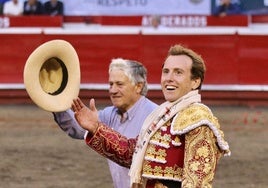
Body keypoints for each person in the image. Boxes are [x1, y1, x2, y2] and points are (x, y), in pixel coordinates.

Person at [72, 44, 231, 188]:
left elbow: (197, 184)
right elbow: (130, 153)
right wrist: (95, 127)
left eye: (178, 72)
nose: (169, 78)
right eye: (166, 71)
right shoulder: (161, 115)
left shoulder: (197, 118)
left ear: (195, 81)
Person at [53, 58, 158, 188]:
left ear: (138, 86)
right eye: (111, 84)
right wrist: (54, 101)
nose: (113, 90)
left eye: (119, 84)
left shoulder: (155, 117)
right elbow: (79, 130)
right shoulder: (111, 114)